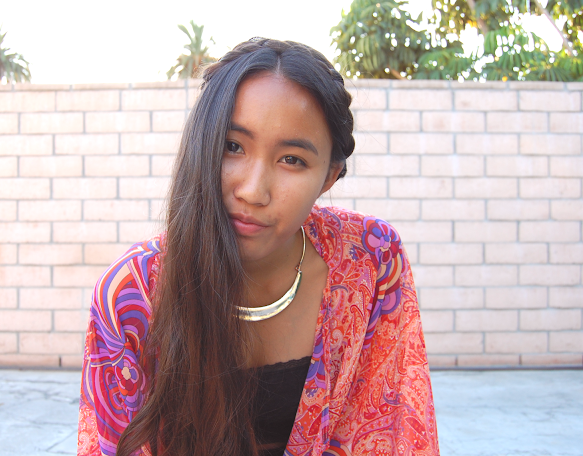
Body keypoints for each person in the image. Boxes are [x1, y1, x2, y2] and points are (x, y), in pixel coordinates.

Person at [78, 38, 438, 456]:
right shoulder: (131, 293)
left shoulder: (370, 258)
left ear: (328, 177)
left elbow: (389, 430)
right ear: (201, 146)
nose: (252, 191)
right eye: (232, 146)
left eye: (292, 160)